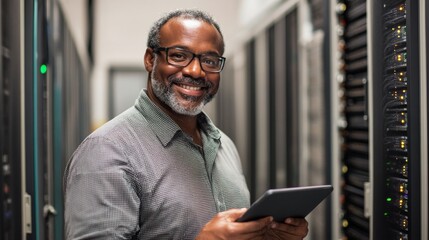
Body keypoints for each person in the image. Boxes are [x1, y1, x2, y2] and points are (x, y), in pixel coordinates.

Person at [64, 9, 308, 239]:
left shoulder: (224, 145)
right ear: (150, 59)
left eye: (210, 61)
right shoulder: (107, 151)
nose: (196, 71)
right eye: (179, 56)